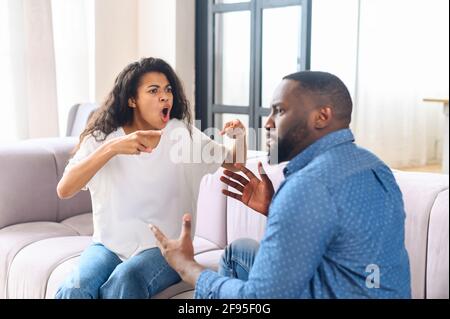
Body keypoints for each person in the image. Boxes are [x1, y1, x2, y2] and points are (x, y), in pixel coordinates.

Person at [150, 71, 412, 298]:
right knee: (238, 252)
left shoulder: (308, 186)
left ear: (322, 116)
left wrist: (187, 267)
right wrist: (276, 207)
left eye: (280, 110)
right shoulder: (375, 166)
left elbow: (260, 298)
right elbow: (345, 241)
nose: (267, 123)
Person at [55, 57, 247, 299]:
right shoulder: (102, 138)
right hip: (108, 247)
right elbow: (65, 189)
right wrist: (112, 148)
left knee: (126, 278)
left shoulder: (181, 135)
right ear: (132, 100)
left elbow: (235, 163)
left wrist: (239, 136)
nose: (165, 96)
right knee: (75, 288)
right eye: (153, 90)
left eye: (168, 90)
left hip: (166, 250)